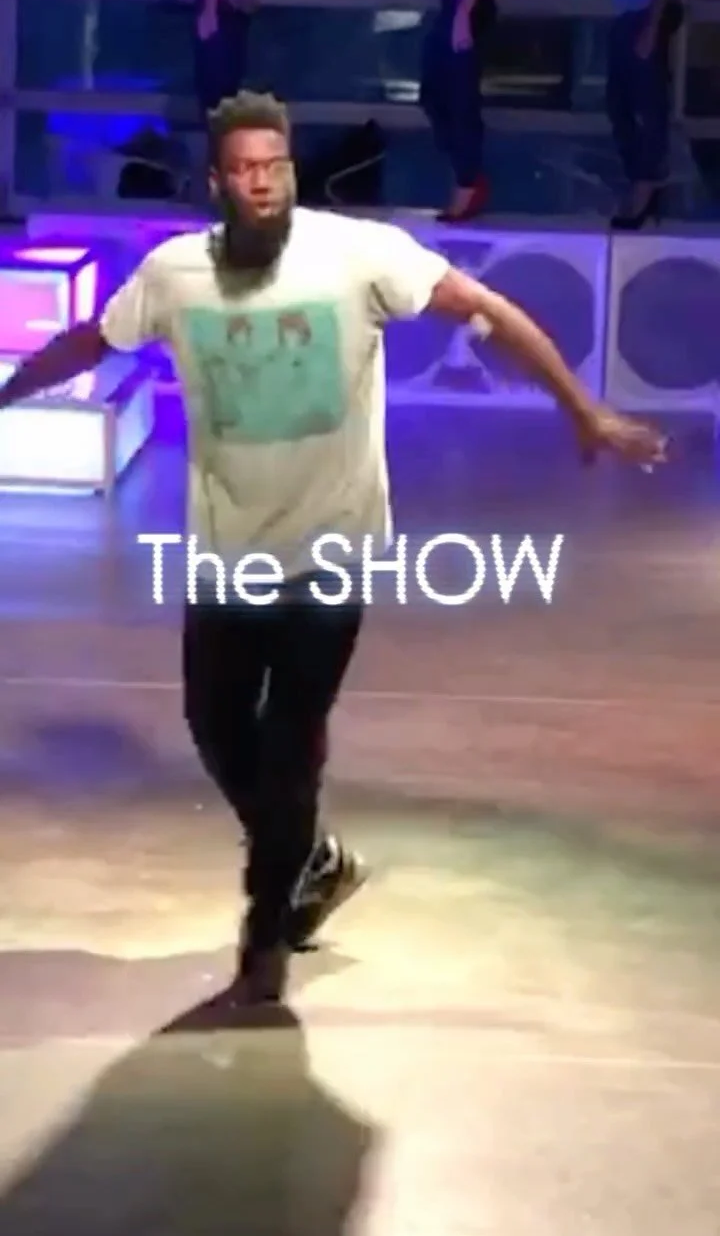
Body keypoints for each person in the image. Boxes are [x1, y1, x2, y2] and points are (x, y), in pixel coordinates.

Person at [0, 90, 667, 1008]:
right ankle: (308, 858)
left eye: (274, 166)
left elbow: (486, 309)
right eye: (243, 170)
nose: (262, 183)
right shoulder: (174, 273)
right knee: (215, 726)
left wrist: (581, 410)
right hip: (227, 552)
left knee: (290, 742)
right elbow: (89, 341)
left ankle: (265, 934)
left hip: (334, 548)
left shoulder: (360, 256)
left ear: (291, 170)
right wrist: (8, 394)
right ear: (216, 181)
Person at [606, 0, 683, 229]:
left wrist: (652, 25)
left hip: (644, 19)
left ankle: (645, 192)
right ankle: (643, 188)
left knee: (645, 107)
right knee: (620, 106)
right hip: (624, 18)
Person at [420, 0, 497, 222]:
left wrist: (464, 12)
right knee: (433, 96)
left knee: (460, 101)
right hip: (450, 10)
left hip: (466, 10)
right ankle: (468, 177)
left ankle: (468, 183)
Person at [195, 0, 257, 117]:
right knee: (217, 88)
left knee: (226, 87)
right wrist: (209, 11)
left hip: (232, 15)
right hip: (222, 17)